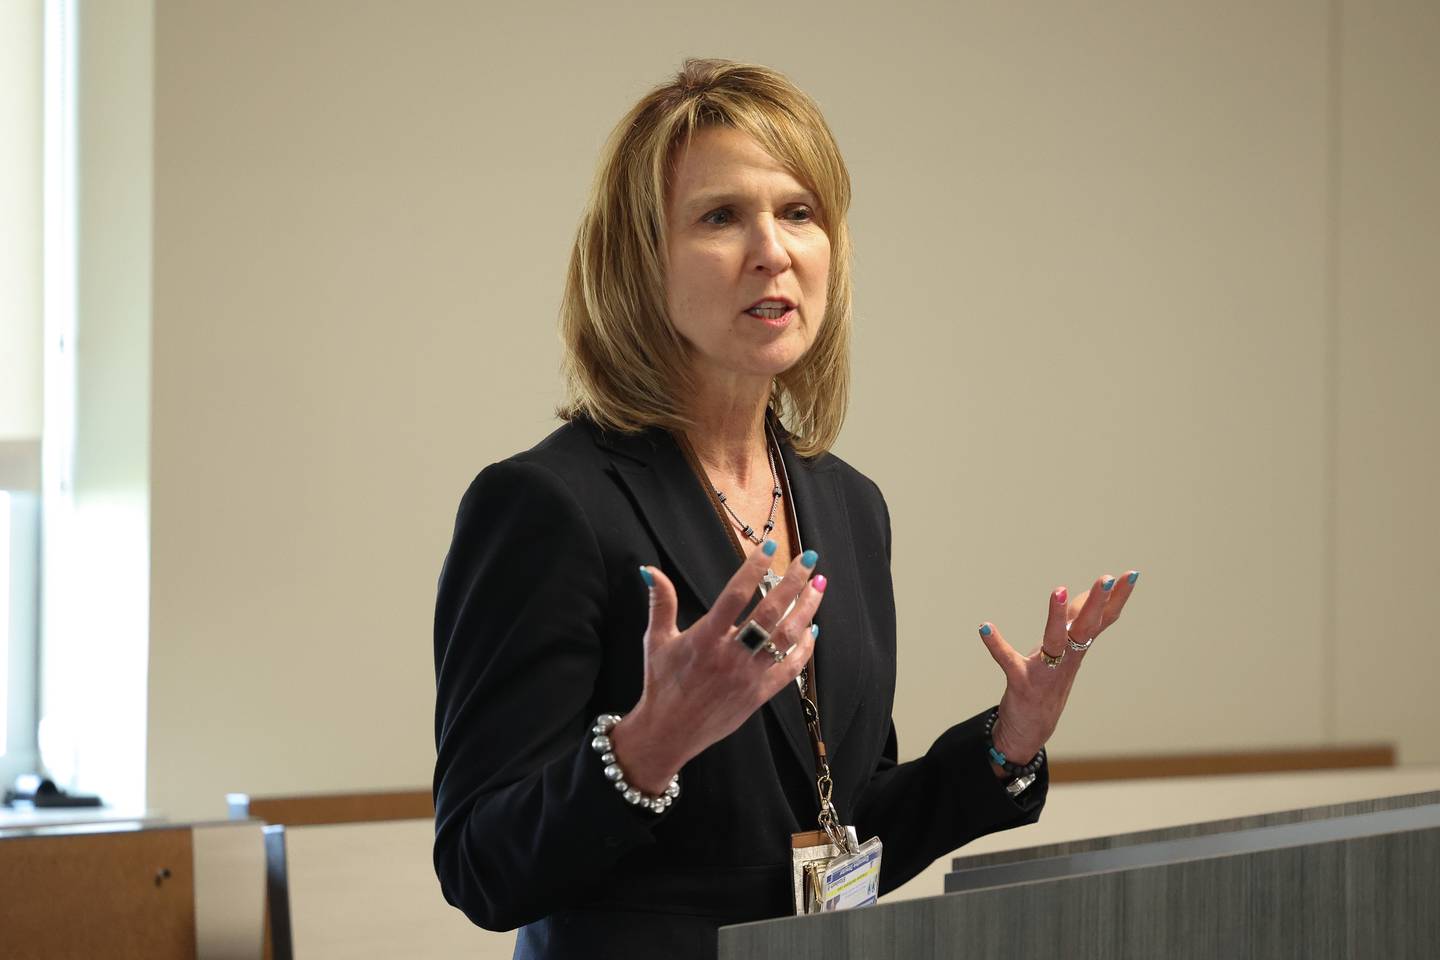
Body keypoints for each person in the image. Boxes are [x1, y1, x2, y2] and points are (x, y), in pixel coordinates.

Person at [432, 58, 1138, 960]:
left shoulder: (847, 505)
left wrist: (1005, 745)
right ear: (640, 262)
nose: (774, 248)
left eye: (799, 212)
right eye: (721, 216)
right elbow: (479, 867)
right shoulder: (546, 506)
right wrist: (648, 747)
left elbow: (843, 828)